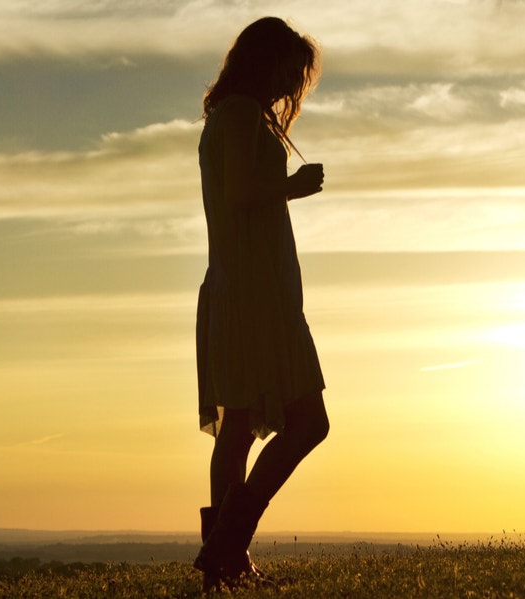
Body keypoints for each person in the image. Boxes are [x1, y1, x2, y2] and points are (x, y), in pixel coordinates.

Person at [193, 16, 329, 590]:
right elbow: (241, 194)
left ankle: (226, 555)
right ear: (263, 60)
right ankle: (227, 544)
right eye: (287, 69)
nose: (290, 83)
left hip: (243, 288)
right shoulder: (242, 114)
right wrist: (292, 187)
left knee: (240, 426)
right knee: (307, 423)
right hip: (254, 295)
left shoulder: (232, 116)